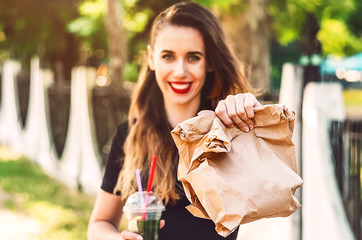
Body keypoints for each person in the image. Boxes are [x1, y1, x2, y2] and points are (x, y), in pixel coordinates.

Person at [88, 2, 262, 240]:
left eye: (193, 57)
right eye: (168, 56)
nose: (180, 71)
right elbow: (99, 224)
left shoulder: (230, 132)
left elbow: (272, 185)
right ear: (151, 58)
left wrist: (254, 119)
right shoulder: (128, 137)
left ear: (209, 62)